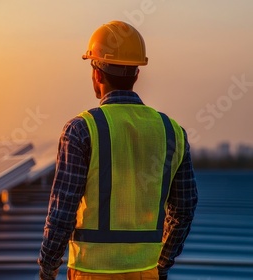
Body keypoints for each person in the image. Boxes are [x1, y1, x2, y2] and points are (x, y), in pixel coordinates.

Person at [38, 20, 198, 280]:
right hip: (146, 273)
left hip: (90, 273)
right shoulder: (172, 132)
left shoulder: (81, 130)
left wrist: (47, 268)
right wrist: (161, 264)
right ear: (137, 74)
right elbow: (184, 208)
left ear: (97, 74)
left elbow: (62, 212)